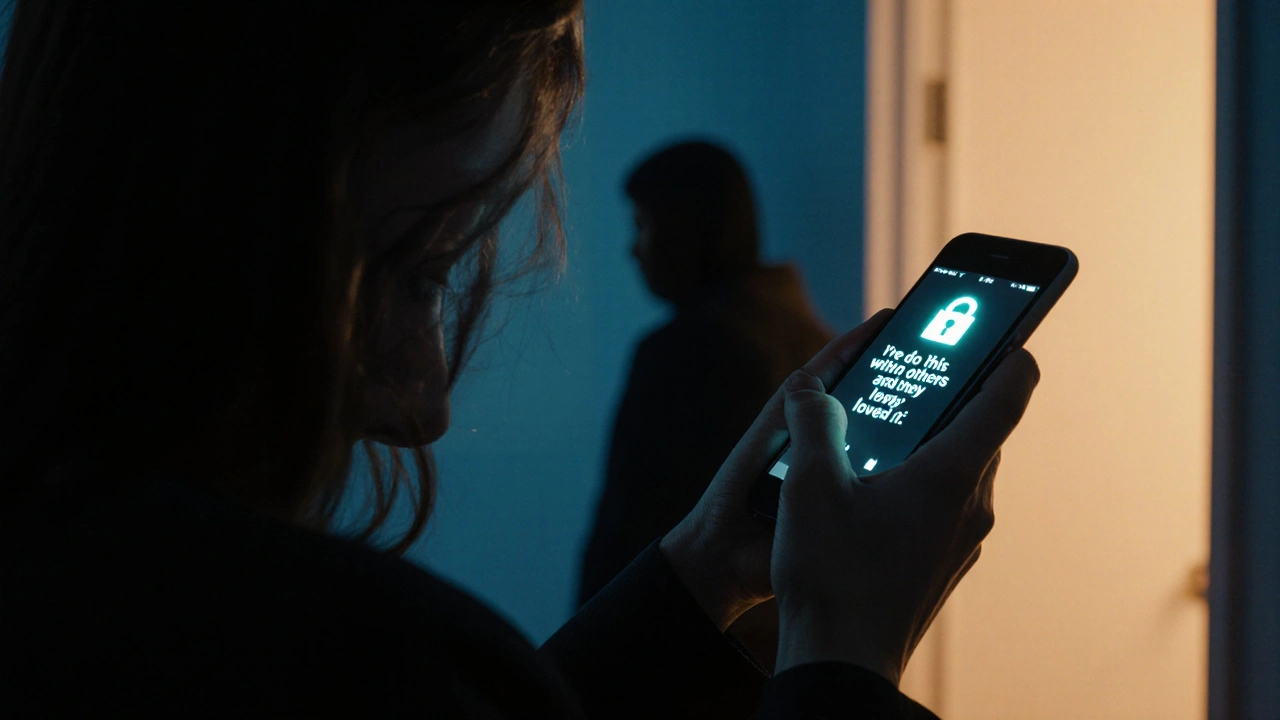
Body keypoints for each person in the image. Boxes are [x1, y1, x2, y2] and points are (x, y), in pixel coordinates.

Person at [0, 1, 1041, 718]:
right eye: (414, 272)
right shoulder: (344, 667)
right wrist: (844, 656)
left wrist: (694, 574)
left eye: (431, 279)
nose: (422, 410)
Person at [580, 141, 833, 667]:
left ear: (688, 227)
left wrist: (584, 663)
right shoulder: (815, 342)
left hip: (674, 655)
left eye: (643, 224)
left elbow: (629, 530)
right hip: (789, 653)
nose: (633, 248)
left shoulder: (684, 349)